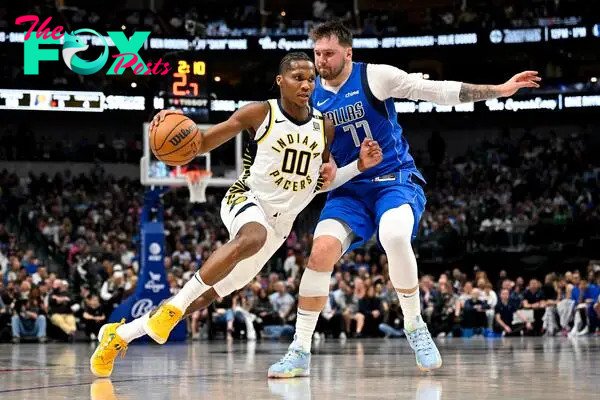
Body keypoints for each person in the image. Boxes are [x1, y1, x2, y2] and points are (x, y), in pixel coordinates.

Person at [269, 20, 541, 377]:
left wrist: (498, 90)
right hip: (348, 189)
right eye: (317, 53)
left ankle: (415, 326)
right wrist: (331, 171)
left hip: (392, 178)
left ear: (348, 53)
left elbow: (436, 91)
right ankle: (300, 349)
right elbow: (323, 175)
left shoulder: (375, 77)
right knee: (319, 252)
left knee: (394, 236)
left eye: (329, 53)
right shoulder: (307, 101)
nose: (321, 60)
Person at [90, 51, 383, 378]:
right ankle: (171, 309)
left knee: (204, 298)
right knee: (251, 237)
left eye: (311, 79)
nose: (306, 84)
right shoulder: (259, 113)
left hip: (279, 228)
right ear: (280, 81)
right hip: (245, 200)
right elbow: (200, 143)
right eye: (297, 77)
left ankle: (120, 335)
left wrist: (359, 166)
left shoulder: (324, 127)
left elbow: (317, 184)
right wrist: (170, 126)